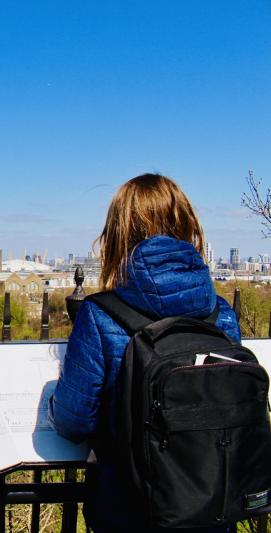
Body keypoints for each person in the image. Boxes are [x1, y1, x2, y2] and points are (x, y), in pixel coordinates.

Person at [49, 174, 240, 533]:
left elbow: (73, 421)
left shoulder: (101, 314)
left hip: (131, 507)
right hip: (213, 502)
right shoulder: (220, 313)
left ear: (117, 234)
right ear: (187, 227)